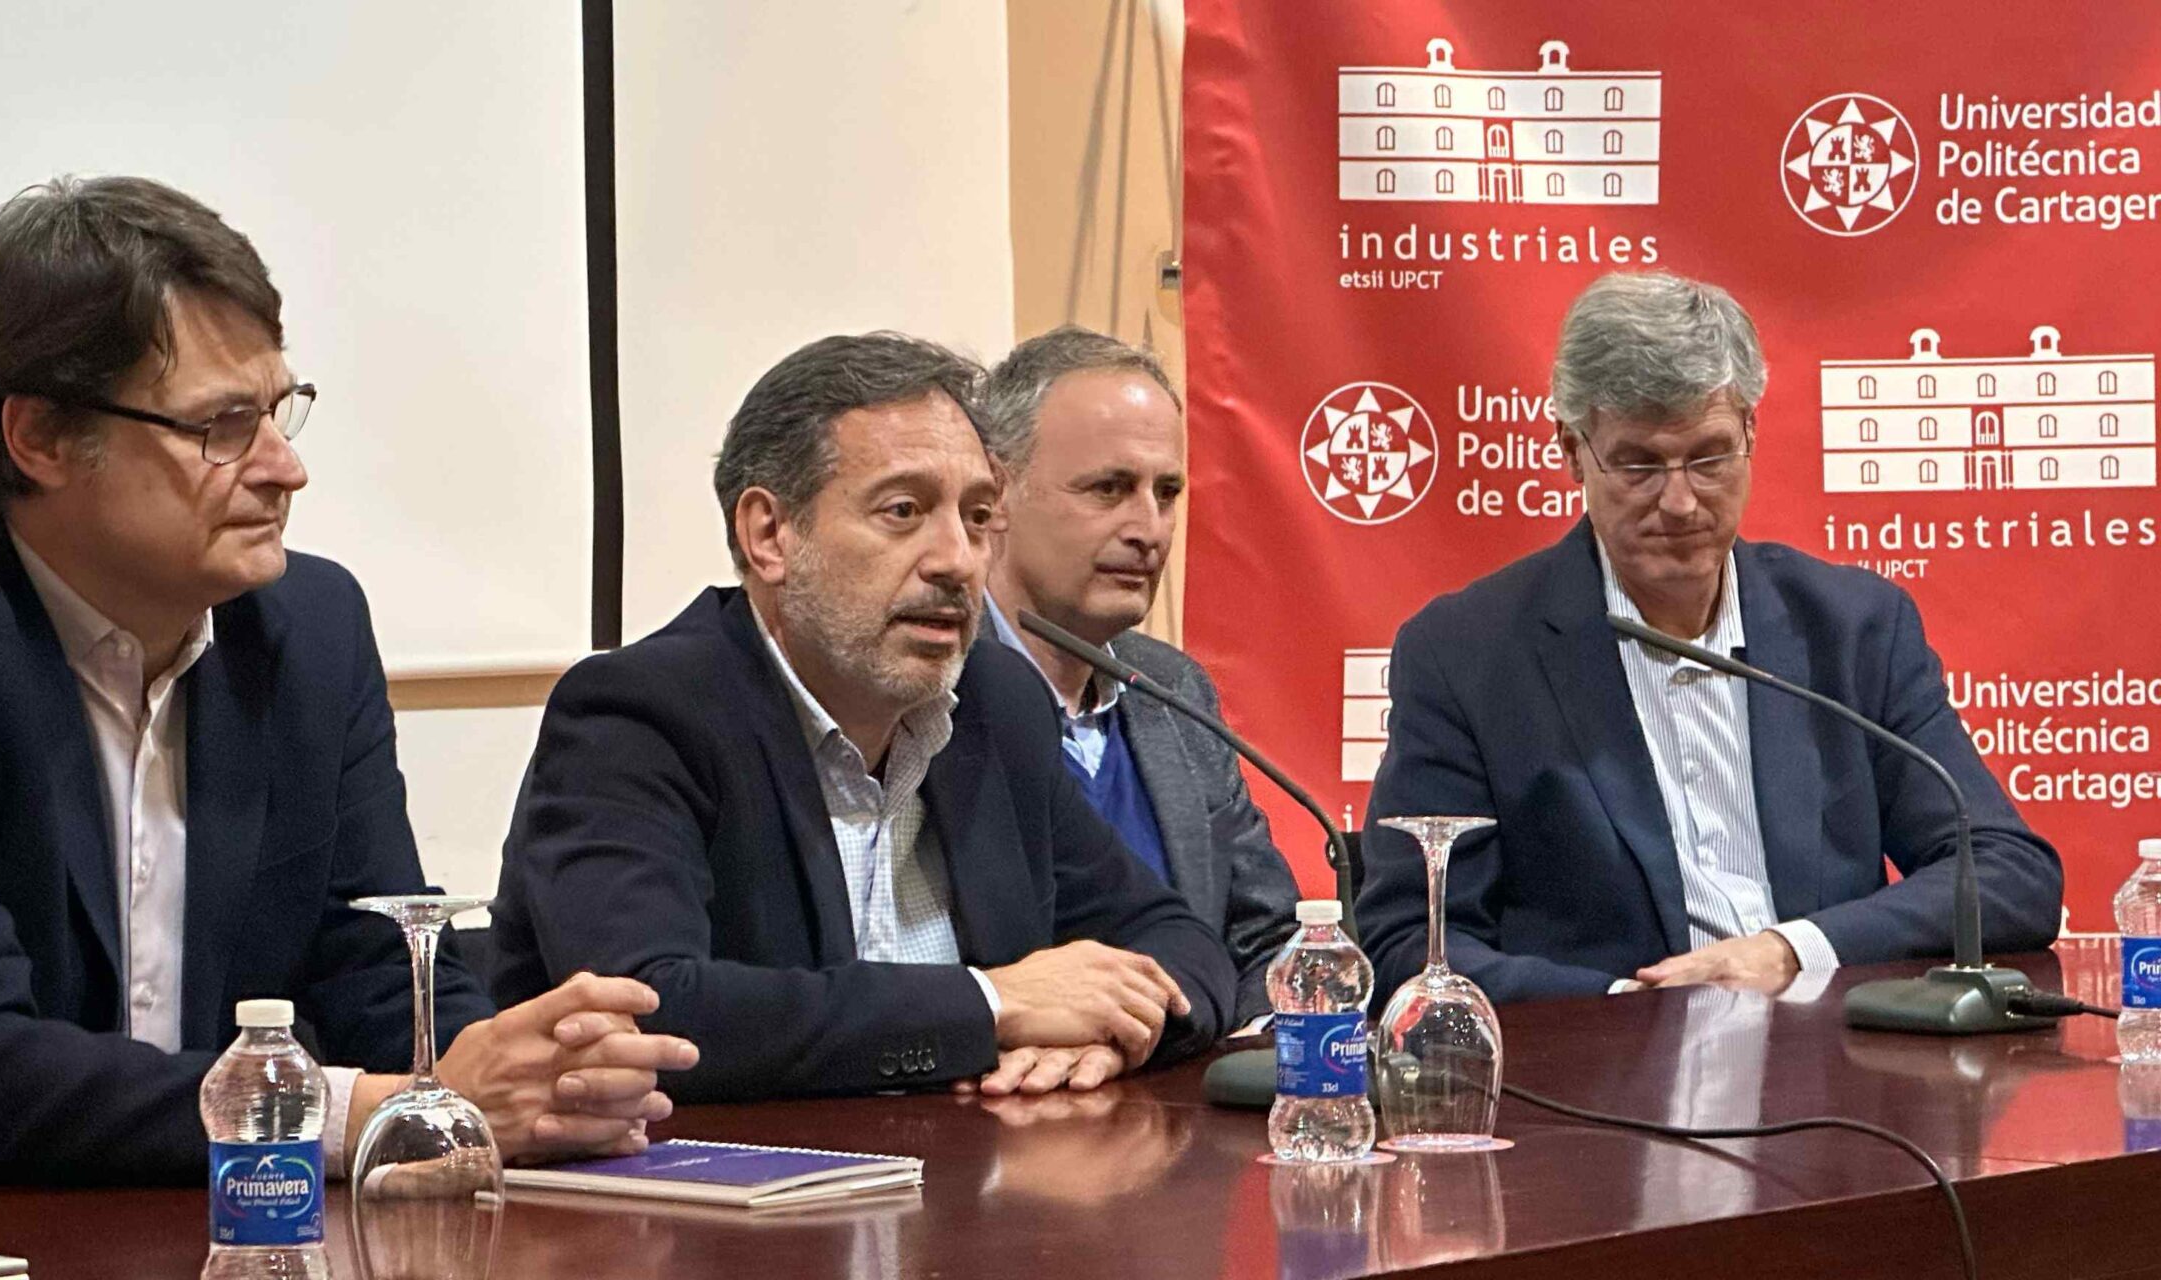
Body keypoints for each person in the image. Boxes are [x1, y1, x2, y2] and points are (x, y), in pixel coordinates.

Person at [0, 177, 693, 1213]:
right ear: (39, 437)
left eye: (281, 411)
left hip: (167, 1216)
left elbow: (373, 973)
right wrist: (376, 1112)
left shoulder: (309, 633)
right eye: (222, 426)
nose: (284, 468)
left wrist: (530, 1081)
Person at [489, 332, 1236, 1101]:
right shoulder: (642, 715)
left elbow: (1185, 947)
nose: (957, 560)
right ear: (770, 535)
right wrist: (994, 1003)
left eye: (978, 516)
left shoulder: (994, 703)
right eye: (904, 511)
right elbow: (649, 1014)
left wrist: (1108, 1033)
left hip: (980, 1168)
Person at [1360, 271, 2062, 1005]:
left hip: (1829, 1056)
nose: (1680, 500)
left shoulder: (1854, 628)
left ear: (1750, 433)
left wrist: (1792, 950)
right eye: (1638, 464)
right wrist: (1633, 1006)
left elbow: (2009, 873)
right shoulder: (1467, 655)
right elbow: (1410, 940)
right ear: (1572, 451)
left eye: (1709, 456)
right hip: (1600, 1058)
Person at [975, 326, 1301, 1024]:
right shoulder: (930, 692)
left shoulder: (1174, 689)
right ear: (996, 493)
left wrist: (1253, 1040)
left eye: (1167, 492)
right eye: (1109, 488)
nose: (1149, 528)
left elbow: (1267, 937)